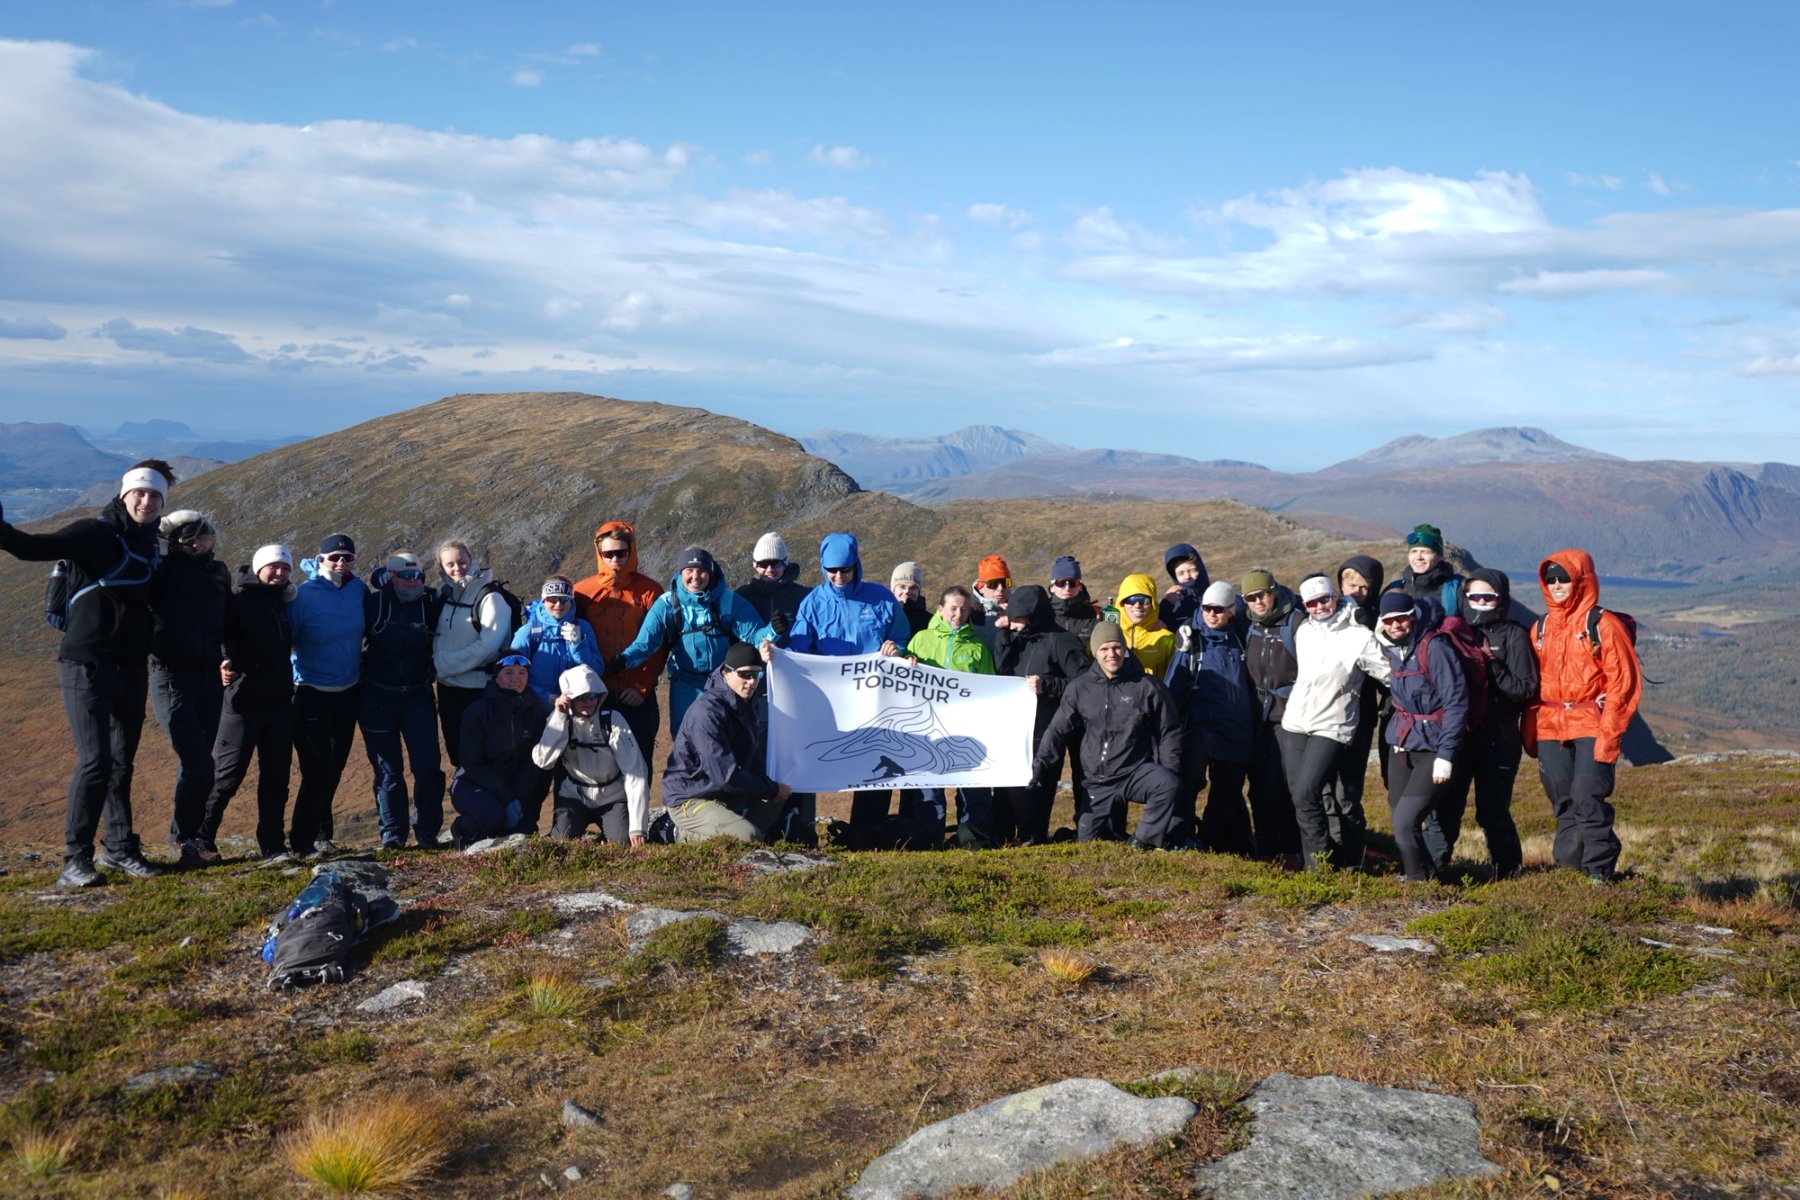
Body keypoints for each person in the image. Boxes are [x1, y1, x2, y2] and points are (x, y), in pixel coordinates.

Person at [0, 461, 174, 886]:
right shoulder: (95, 533)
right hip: (86, 663)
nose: (147, 501)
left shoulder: (152, 545)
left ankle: (119, 849)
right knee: (95, 761)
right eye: (140, 493)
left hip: (130, 666)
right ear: (123, 494)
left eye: (155, 496)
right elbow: (30, 547)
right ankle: (74, 860)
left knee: (121, 763)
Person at [1525, 550, 1642, 883]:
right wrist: (1530, 731)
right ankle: (1569, 875)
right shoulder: (1541, 627)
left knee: (1588, 797)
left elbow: (1623, 683)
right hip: (1551, 726)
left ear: (1582, 580)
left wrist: (1610, 735)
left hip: (1591, 723)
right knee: (1563, 802)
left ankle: (1598, 872)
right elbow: (1534, 686)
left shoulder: (1602, 624)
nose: (1557, 585)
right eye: (1551, 580)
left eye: (1564, 578)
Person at [785, 533, 908, 848]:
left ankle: (865, 835)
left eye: (845, 570)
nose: (838, 577)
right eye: (831, 571)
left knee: (877, 763)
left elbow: (902, 636)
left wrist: (897, 649)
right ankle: (801, 831)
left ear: (857, 566)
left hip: (876, 699)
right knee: (813, 758)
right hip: (831, 701)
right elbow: (800, 647)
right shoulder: (813, 603)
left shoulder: (880, 598)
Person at [1032, 622, 1183, 846]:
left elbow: (1168, 731)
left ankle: (1142, 843)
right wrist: (1039, 767)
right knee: (1089, 846)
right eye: (1104, 649)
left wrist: (1170, 768)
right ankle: (1110, 834)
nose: (1111, 654)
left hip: (1134, 772)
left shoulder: (1148, 686)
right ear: (1095, 653)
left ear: (1124, 649)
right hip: (1097, 781)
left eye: (1116, 648)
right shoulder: (1079, 687)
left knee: (1168, 784)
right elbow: (1057, 731)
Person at [1279, 575, 1392, 870]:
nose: (1319, 607)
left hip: (1334, 724)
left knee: (1308, 792)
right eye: (1312, 603)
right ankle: (1314, 862)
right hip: (1296, 721)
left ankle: (1321, 867)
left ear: (1336, 597)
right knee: (1298, 796)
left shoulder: (1359, 635)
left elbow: (1391, 674)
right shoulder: (1304, 631)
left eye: (1324, 599)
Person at [613, 545, 774, 738]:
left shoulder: (728, 600)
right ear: (681, 572)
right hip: (685, 684)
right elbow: (645, 644)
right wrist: (624, 660)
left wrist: (773, 631)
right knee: (685, 739)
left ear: (710, 571)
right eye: (689, 570)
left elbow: (756, 635)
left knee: (725, 738)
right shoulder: (667, 604)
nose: (695, 576)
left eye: (702, 571)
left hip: (724, 684)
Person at [1442, 569, 1537, 879]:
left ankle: (1509, 873)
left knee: (1492, 811)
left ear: (1501, 598)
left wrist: (1491, 664)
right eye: (1474, 597)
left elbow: (1525, 688)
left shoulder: (1513, 635)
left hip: (1499, 736)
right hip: (1461, 734)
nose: (1481, 602)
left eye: (1488, 597)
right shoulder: (1455, 630)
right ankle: (1434, 870)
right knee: (1448, 806)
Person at [150, 509, 231, 865]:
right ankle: (185, 839)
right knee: (198, 764)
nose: (200, 544)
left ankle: (186, 840)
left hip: (209, 678)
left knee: (197, 763)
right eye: (191, 539)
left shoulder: (218, 573)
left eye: (205, 537)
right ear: (175, 543)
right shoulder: (161, 573)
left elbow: (227, 619)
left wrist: (228, 655)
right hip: (171, 676)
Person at [207, 544, 297, 861]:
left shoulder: (282, 603)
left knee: (277, 778)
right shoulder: (237, 601)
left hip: (279, 703)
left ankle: (272, 843)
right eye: (274, 567)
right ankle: (201, 839)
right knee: (228, 776)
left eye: (285, 568)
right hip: (243, 703)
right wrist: (222, 660)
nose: (280, 573)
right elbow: (216, 635)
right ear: (259, 569)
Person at [660, 643, 795, 843]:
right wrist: (771, 788)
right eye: (745, 675)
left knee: (777, 798)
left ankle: (746, 834)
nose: (751, 682)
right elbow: (725, 775)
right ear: (727, 673)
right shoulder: (707, 713)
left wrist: (773, 787)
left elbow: (746, 763)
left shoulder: (746, 703)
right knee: (748, 836)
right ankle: (673, 831)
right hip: (692, 797)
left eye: (756, 675)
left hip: (722, 793)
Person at [1377, 592, 1469, 882]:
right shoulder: (1392, 649)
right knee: (1399, 821)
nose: (1396, 625)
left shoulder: (1436, 648)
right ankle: (1426, 877)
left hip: (1433, 747)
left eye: (1401, 618)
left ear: (1413, 616)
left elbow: (1457, 703)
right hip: (1402, 744)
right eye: (1389, 620)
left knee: (1406, 822)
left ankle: (1418, 885)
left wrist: (1446, 755)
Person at [289, 532, 369, 859]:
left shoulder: (358, 590)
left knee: (334, 767)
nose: (340, 563)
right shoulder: (303, 595)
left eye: (347, 557)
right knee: (316, 769)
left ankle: (322, 836)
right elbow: (286, 638)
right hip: (309, 692)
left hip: (348, 692)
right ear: (320, 559)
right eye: (334, 557)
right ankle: (301, 840)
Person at [361, 550, 445, 850]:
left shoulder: (433, 603)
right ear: (390, 577)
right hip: (375, 698)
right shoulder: (373, 604)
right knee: (388, 769)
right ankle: (393, 835)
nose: (412, 582)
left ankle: (427, 831)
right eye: (405, 576)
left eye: (418, 575)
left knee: (427, 766)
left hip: (417, 696)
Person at [992, 583, 1090, 844]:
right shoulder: (1017, 639)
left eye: (1020, 618)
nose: (1015, 624)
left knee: (1039, 783)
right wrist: (1003, 636)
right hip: (1017, 725)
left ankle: (1032, 837)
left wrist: (1048, 685)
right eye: (1013, 618)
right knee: (1010, 783)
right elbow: (1002, 671)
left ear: (1034, 615)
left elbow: (1084, 683)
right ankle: (1003, 835)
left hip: (1050, 727)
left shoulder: (1062, 640)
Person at [1165, 581, 1256, 855]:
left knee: (1226, 793)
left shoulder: (1243, 636)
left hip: (1236, 730)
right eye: (1207, 608)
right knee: (1188, 785)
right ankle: (1181, 838)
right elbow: (1173, 687)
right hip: (1199, 728)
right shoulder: (1191, 642)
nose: (1211, 614)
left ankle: (1213, 842)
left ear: (1231, 611)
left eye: (1218, 609)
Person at [573, 520, 666, 783]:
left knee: (639, 766)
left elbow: (660, 645)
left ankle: (638, 824)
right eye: (608, 553)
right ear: (599, 553)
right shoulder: (582, 592)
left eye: (621, 553)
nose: (615, 559)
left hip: (635, 698)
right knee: (595, 766)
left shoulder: (650, 591)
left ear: (632, 551)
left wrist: (641, 688)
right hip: (594, 696)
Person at [907, 585, 998, 846]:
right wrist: (907, 660)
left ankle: (973, 837)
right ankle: (929, 839)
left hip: (965, 726)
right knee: (929, 787)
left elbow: (989, 685)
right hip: (928, 726)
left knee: (972, 786)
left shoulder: (977, 647)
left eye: (964, 609)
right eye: (953, 608)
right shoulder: (921, 640)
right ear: (941, 609)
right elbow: (902, 677)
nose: (958, 614)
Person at [533, 664, 650, 844]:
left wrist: (638, 827)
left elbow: (636, 772)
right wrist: (559, 717)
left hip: (613, 797)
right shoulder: (561, 720)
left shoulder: (612, 721)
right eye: (581, 697)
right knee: (560, 843)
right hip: (575, 796)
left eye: (593, 695)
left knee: (621, 845)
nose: (588, 701)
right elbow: (543, 760)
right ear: (569, 698)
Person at [448, 653, 547, 846]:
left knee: (524, 828)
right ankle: (461, 830)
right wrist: (507, 797)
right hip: (473, 783)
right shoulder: (477, 712)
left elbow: (534, 759)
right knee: (492, 817)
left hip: (512, 785)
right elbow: (471, 763)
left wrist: (520, 799)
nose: (515, 679)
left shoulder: (535, 709)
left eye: (521, 673)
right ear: (496, 677)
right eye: (508, 672)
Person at [1240, 568, 1305, 865]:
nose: (1257, 602)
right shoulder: (1250, 626)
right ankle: (1266, 850)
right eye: (1250, 598)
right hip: (1258, 719)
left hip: (1289, 719)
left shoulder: (1295, 623)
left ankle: (1291, 851)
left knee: (1283, 787)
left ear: (1273, 592)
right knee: (1259, 788)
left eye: (1261, 595)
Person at [432, 540, 511, 768]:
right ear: (442, 568)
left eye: (462, 562)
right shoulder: (444, 596)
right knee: (458, 758)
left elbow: (489, 647)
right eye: (450, 565)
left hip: (479, 690)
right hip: (448, 691)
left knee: (483, 758)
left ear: (471, 560)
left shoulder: (490, 598)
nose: (457, 569)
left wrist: (442, 665)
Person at [1328, 553, 1389, 828]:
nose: (1358, 592)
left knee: (1349, 788)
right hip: (1325, 711)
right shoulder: (1324, 614)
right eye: (1351, 585)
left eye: (1365, 587)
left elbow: (1382, 674)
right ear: (1341, 585)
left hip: (1360, 714)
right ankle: (1329, 844)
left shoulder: (1379, 619)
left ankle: (1352, 847)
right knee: (1324, 785)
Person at [512, 576, 605, 704]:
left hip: (577, 706)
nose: (558, 604)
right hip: (536, 710)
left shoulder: (583, 628)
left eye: (564, 599)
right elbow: (513, 677)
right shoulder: (528, 632)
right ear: (543, 600)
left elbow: (597, 671)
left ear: (571, 601)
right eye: (552, 599)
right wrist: (547, 699)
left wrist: (578, 645)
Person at [736, 532, 809, 638]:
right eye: (764, 564)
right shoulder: (742, 597)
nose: (770, 570)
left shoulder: (804, 596)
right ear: (756, 566)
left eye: (775, 563)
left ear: (785, 564)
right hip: (755, 653)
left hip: (793, 653)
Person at [1386, 523, 1465, 615]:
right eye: (1414, 551)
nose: (1418, 557)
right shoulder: (1396, 588)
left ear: (1440, 557)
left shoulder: (1457, 588)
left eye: (1426, 552)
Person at [1115, 572, 1176, 680]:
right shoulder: (1110, 635)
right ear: (1122, 603)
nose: (1137, 605)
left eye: (1144, 600)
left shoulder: (1167, 639)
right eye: (1131, 600)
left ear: (1152, 604)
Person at [1047, 555, 1101, 650]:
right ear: (1052, 587)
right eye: (1061, 583)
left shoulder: (1096, 614)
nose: (1067, 588)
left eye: (1073, 583)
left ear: (1080, 586)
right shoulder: (1041, 614)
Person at [1157, 543, 1211, 631]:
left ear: (1200, 569)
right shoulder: (1171, 604)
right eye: (1180, 573)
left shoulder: (1215, 597)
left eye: (1192, 571)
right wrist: (1166, 604)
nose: (1187, 577)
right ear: (1174, 576)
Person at [889, 562, 931, 638]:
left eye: (913, 588)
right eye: (902, 587)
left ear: (918, 592)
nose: (907, 591)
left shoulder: (930, 622)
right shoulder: (883, 617)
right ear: (893, 589)